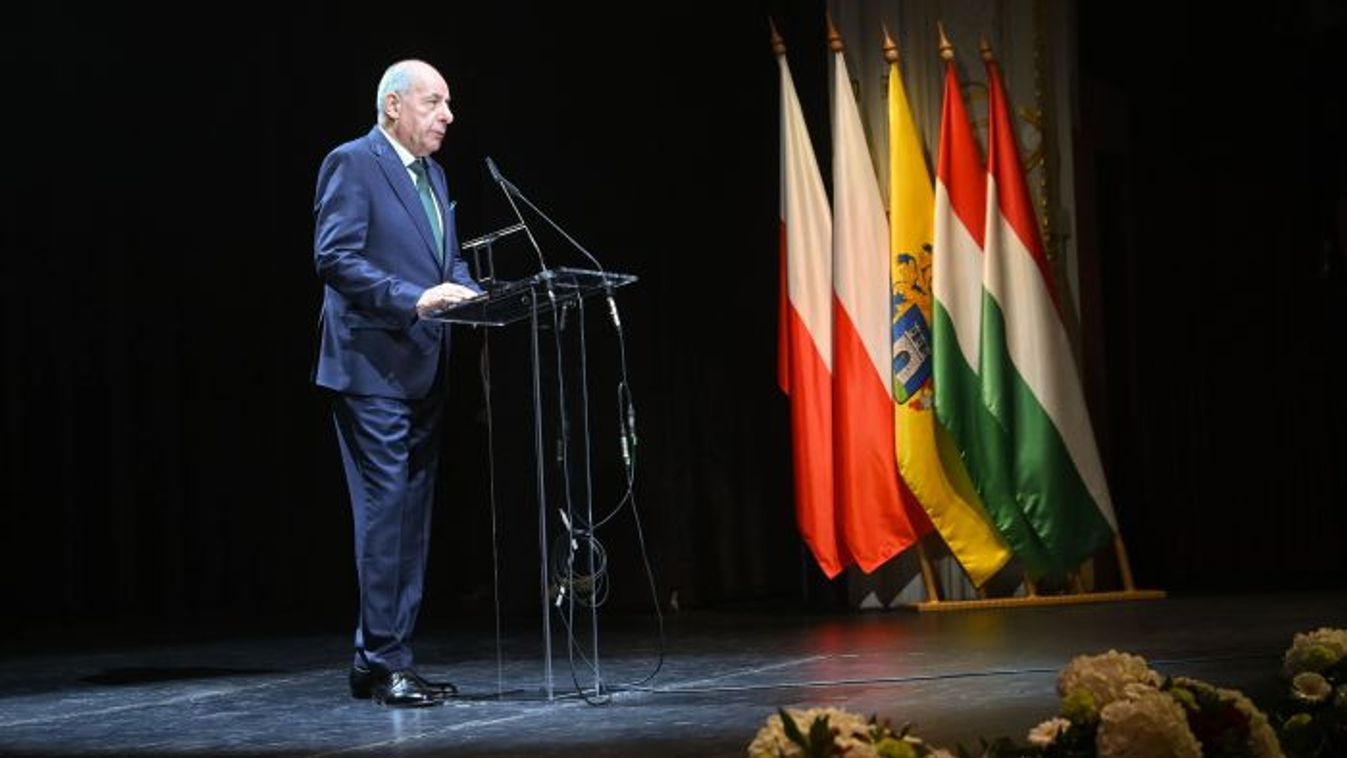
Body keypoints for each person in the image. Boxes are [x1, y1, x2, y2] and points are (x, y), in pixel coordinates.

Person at [312, 59, 482, 707]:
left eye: (447, 103)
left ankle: (378, 659)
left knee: (410, 518)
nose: (447, 115)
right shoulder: (353, 163)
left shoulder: (433, 174)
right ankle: (386, 660)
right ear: (392, 106)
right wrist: (413, 299)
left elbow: (450, 260)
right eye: (434, 102)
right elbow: (335, 257)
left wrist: (469, 291)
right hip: (370, 366)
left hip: (424, 366)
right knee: (386, 513)